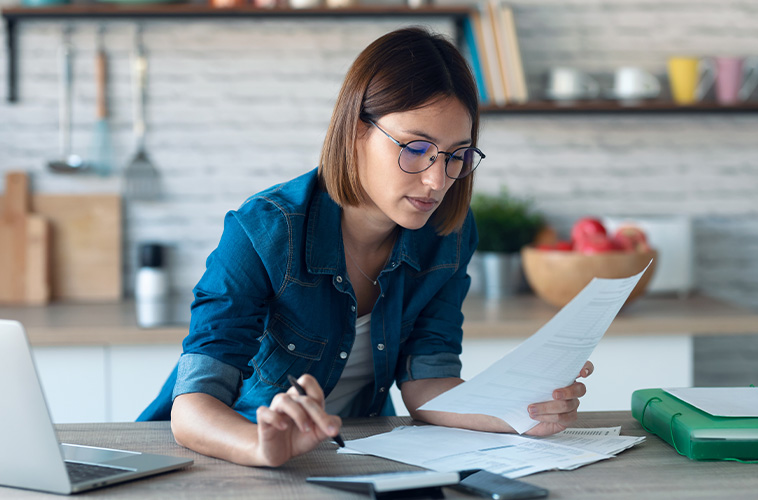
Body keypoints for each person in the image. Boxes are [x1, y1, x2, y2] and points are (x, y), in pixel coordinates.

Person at [139, 26, 593, 467]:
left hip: (350, 455)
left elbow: (426, 382)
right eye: (416, 147)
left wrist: (521, 414)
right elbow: (194, 405)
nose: (438, 181)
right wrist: (260, 446)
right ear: (356, 130)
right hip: (229, 456)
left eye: (457, 155)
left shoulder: (448, 234)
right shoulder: (264, 230)